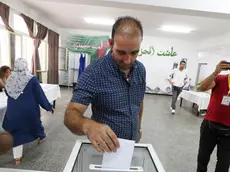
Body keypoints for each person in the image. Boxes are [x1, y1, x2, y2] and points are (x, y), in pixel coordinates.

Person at [64, 16, 146, 153]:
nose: (128, 60)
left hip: (132, 145)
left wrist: (138, 129)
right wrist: (88, 126)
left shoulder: (140, 70)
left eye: (134, 52)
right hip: (106, 150)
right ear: (111, 43)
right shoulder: (94, 72)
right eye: (121, 52)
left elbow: (139, 101)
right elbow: (70, 115)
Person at [2, 58, 53, 165]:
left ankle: (17, 157)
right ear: (25, 65)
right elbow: (40, 96)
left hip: (13, 111)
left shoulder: (10, 78)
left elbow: (8, 93)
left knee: (17, 131)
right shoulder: (31, 79)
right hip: (29, 111)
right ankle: (41, 136)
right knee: (34, 123)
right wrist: (48, 106)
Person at [196, 60, 230, 172]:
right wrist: (215, 72)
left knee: (223, 165)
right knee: (202, 159)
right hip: (209, 127)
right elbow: (202, 88)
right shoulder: (221, 79)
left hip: (228, 133)